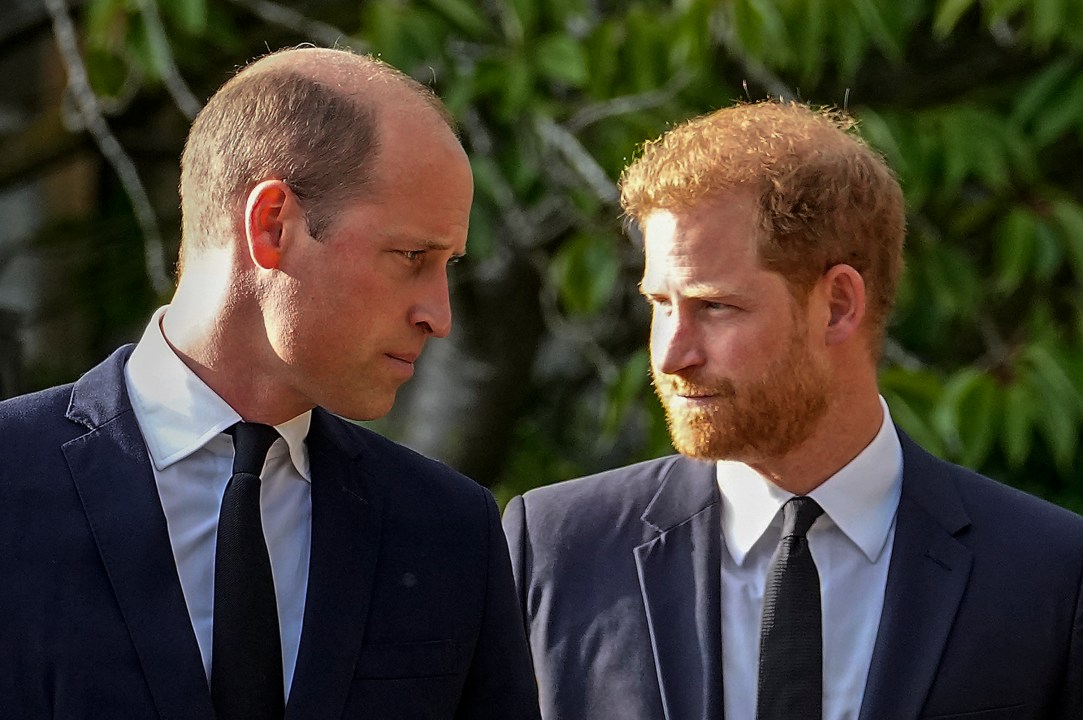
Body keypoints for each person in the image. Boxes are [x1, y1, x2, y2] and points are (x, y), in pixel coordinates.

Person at [0, 47, 541, 720]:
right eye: (411, 257)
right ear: (271, 224)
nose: (439, 315)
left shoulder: (448, 530)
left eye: (447, 264)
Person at [503, 100, 1083, 720]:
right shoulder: (558, 547)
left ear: (837, 304)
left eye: (714, 306)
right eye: (660, 303)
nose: (671, 355)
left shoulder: (1048, 571)